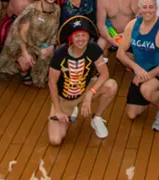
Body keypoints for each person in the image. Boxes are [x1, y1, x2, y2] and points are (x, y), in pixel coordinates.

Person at [46, 16, 117, 144]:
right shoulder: (60, 54)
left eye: (84, 35)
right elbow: (52, 83)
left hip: (85, 89)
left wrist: (91, 93)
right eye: (77, 36)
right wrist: (57, 110)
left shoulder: (93, 49)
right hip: (65, 98)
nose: (81, 39)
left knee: (111, 85)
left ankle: (97, 117)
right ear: (70, 38)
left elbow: (104, 74)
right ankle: (72, 109)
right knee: (55, 140)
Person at [117, 0, 159, 130]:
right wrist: (136, 69)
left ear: (156, 9)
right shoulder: (132, 25)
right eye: (145, 7)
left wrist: (146, 77)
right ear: (140, 9)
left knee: (146, 89)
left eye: (151, 7)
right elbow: (120, 53)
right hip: (141, 71)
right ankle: (156, 92)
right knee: (132, 114)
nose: (148, 10)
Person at [0, 0, 60, 86]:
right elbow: (22, 32)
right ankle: (24, 73)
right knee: (24, 63)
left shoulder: (57, 9)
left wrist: (52, 46)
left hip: (44, 45)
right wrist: (25, 53)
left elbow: (55, 31)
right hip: (27, 44)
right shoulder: (32, 9)